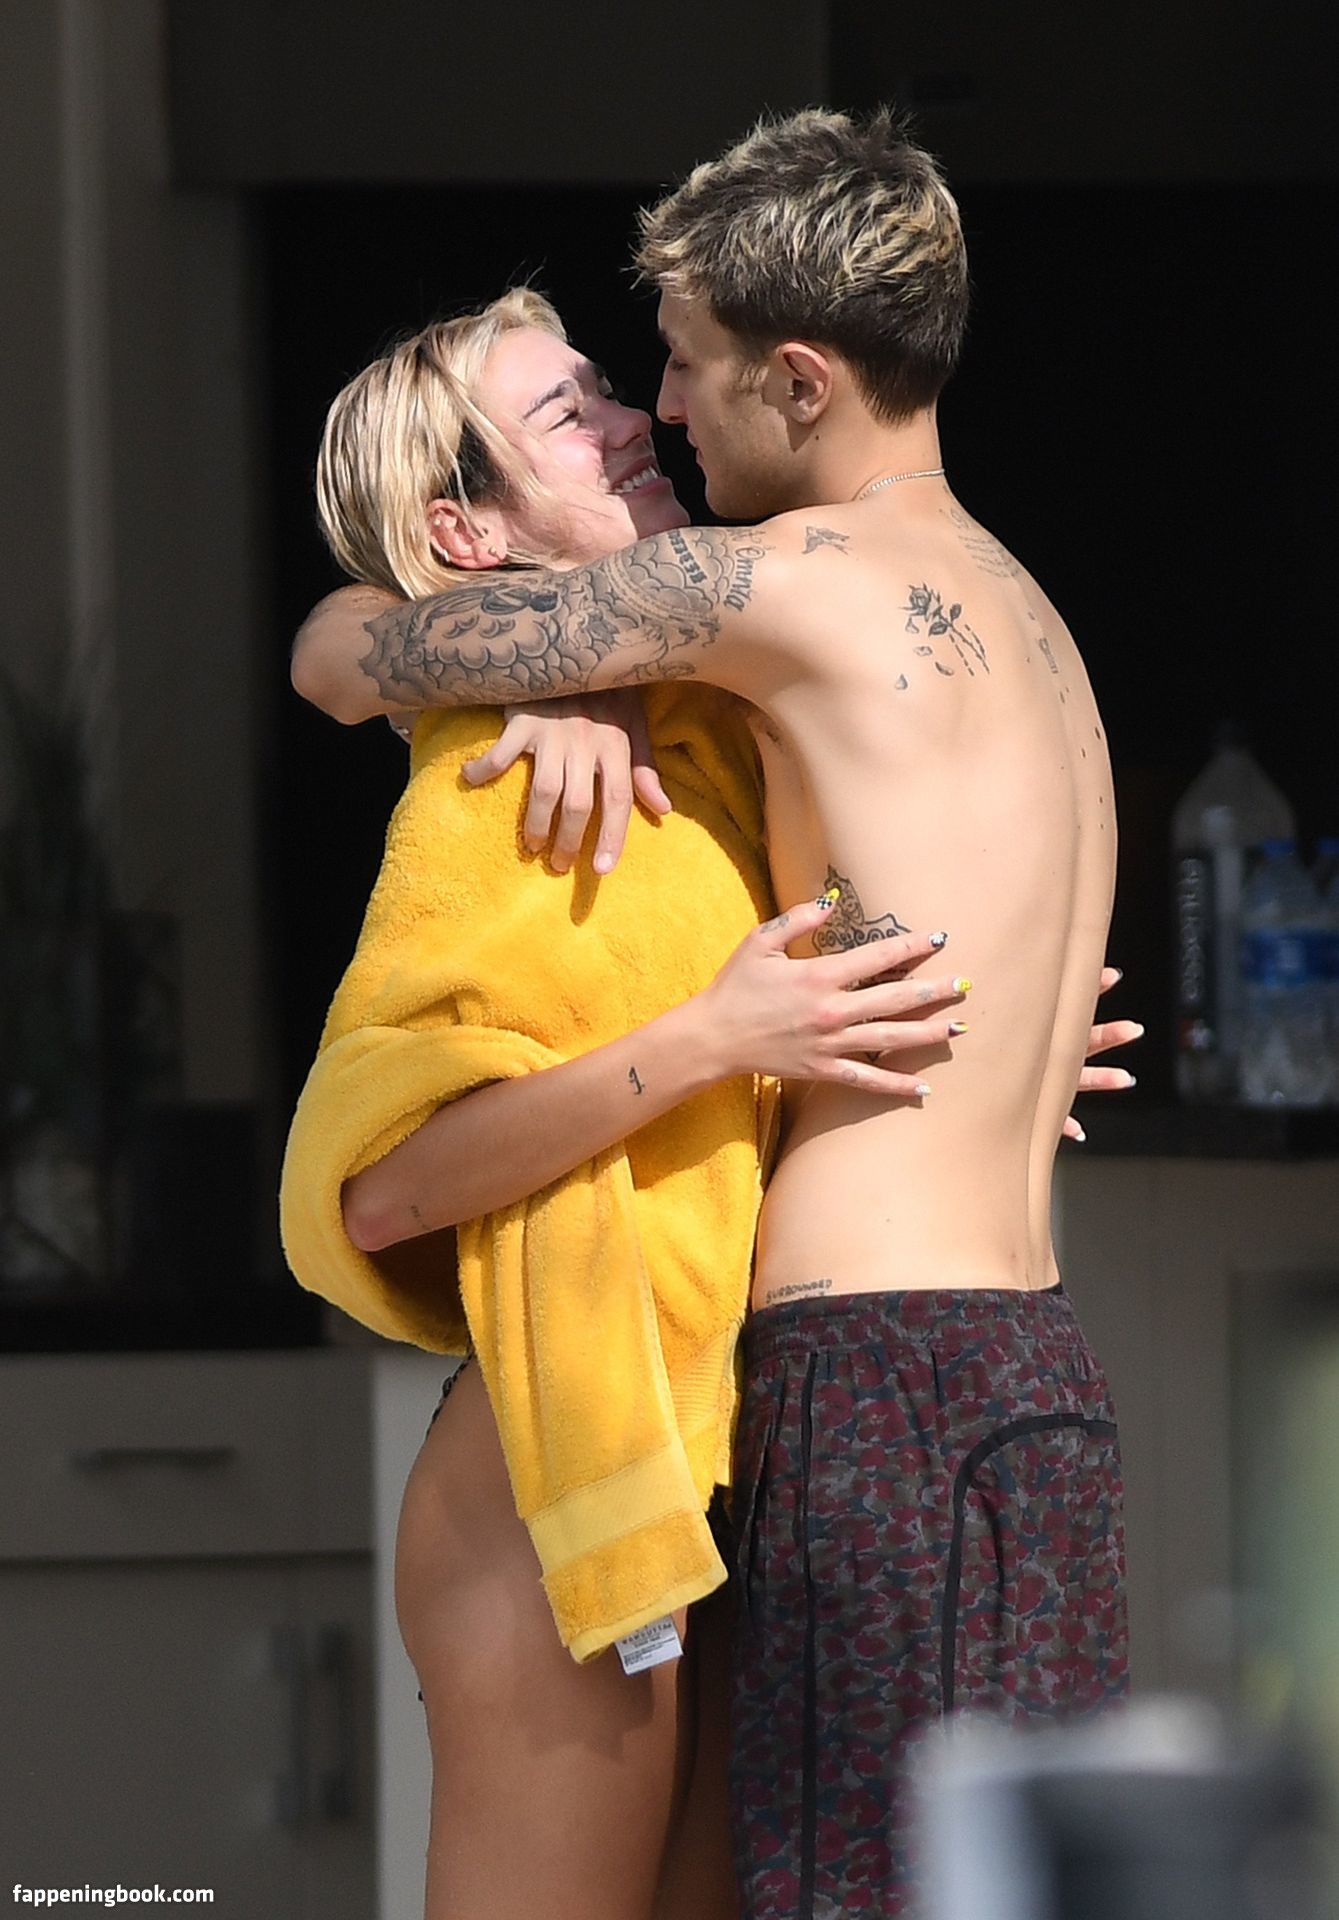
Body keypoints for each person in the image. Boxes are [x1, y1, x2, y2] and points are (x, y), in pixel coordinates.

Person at [291, 109, 1134, 1918]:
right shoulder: (1031, 618)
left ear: (800, 378)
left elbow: (343, 651)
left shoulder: (764, 599)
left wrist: (547, 666)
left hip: (876, 1385)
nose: (657, 410)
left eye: (669, 366)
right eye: (595, 397)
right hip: (1032, 1380)